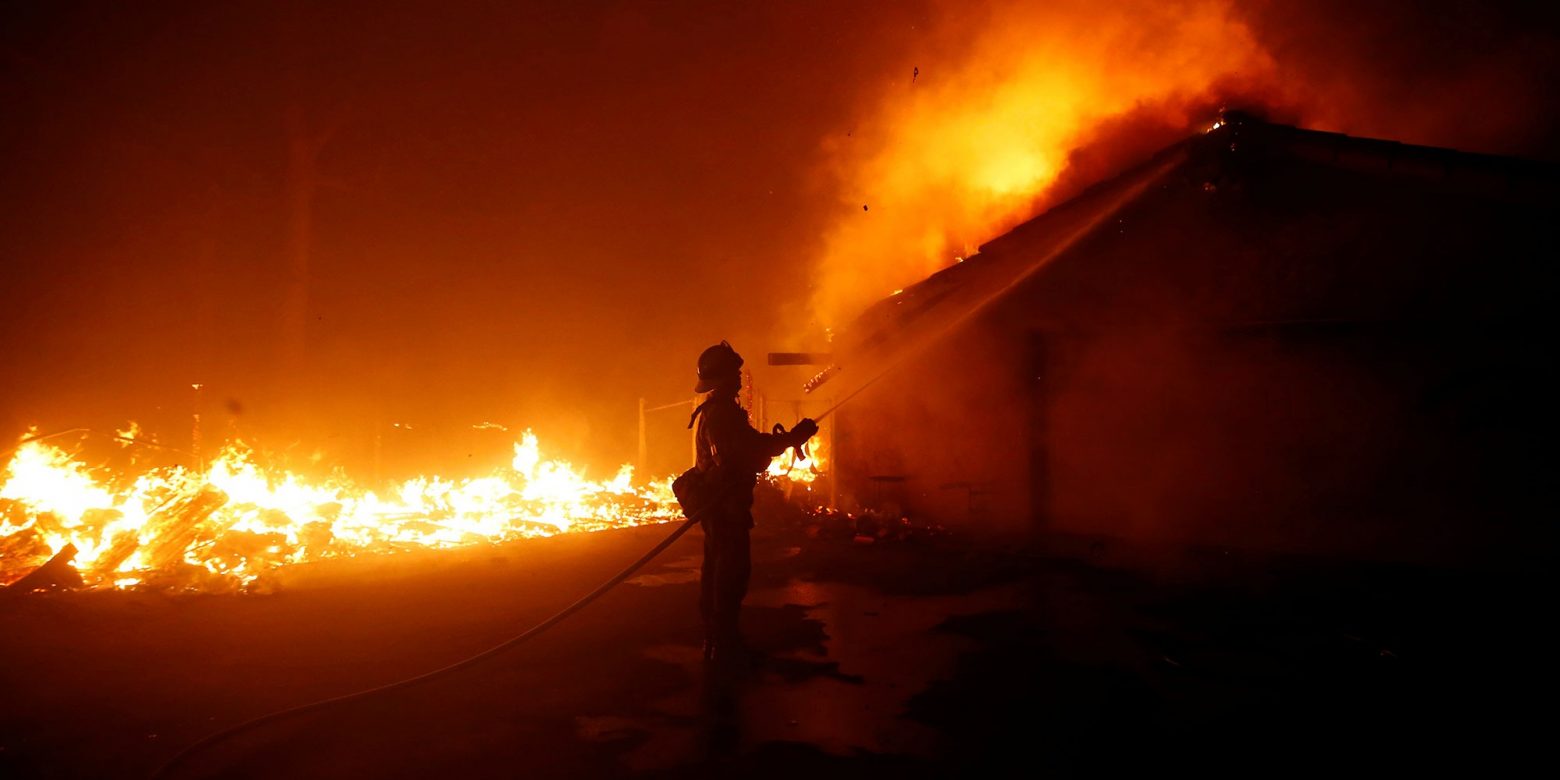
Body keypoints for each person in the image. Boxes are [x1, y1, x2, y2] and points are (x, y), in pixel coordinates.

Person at [685, 341, 817, 663]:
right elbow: (744, 452)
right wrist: (790, 439)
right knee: (729, 574)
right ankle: (723, 645)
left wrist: (788, 440)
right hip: (725, 507)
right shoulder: (721, 415)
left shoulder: (718, 411)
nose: (741, 377)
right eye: (735, 372)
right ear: (723, 377)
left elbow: (747, 447)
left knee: (719, 571)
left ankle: (717, 640)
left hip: (724, 506)